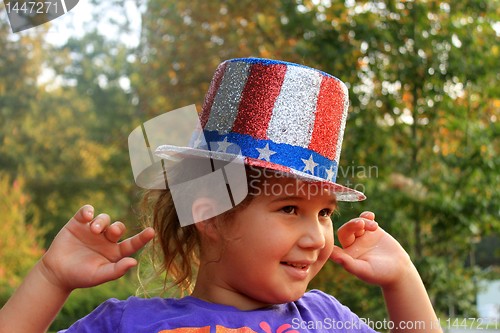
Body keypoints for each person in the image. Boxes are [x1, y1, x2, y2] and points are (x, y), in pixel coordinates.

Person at [0, 58, 442, 333]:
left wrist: (402, 279)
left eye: (324, 212)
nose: (317, 237)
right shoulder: (129, 324)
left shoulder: (326, 319)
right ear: (209, 213)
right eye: (290, 208)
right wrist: (51, 278)